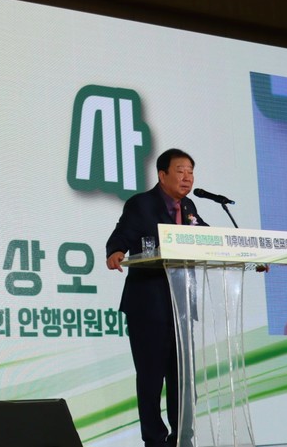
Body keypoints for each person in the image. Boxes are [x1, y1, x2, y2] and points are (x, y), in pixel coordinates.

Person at [106, 148, 208, 447]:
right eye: (180, 171)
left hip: (181, 307)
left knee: (183, 381)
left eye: (190, 171)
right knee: (151, 380)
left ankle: (182, 438)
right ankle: (154, 441)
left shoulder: (188, 207)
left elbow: (208, 238)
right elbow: (122, 234)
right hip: (148, 307)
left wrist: (246, 256)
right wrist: (116, 251)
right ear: (162, 175)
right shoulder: (141, 204)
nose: (187, 177)